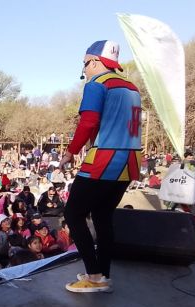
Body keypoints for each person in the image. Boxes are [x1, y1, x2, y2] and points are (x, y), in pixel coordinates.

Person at [59, 40, 141, 293]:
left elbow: (89, 122)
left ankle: (94, 276)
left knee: (73, 213)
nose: (84, 71)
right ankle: (103, 274)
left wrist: (70, 152)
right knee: (103, 217)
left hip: (105, 158)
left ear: (95, 62)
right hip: (131, 160)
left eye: (84, 65)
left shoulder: (96, 84)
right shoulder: (132, 87)